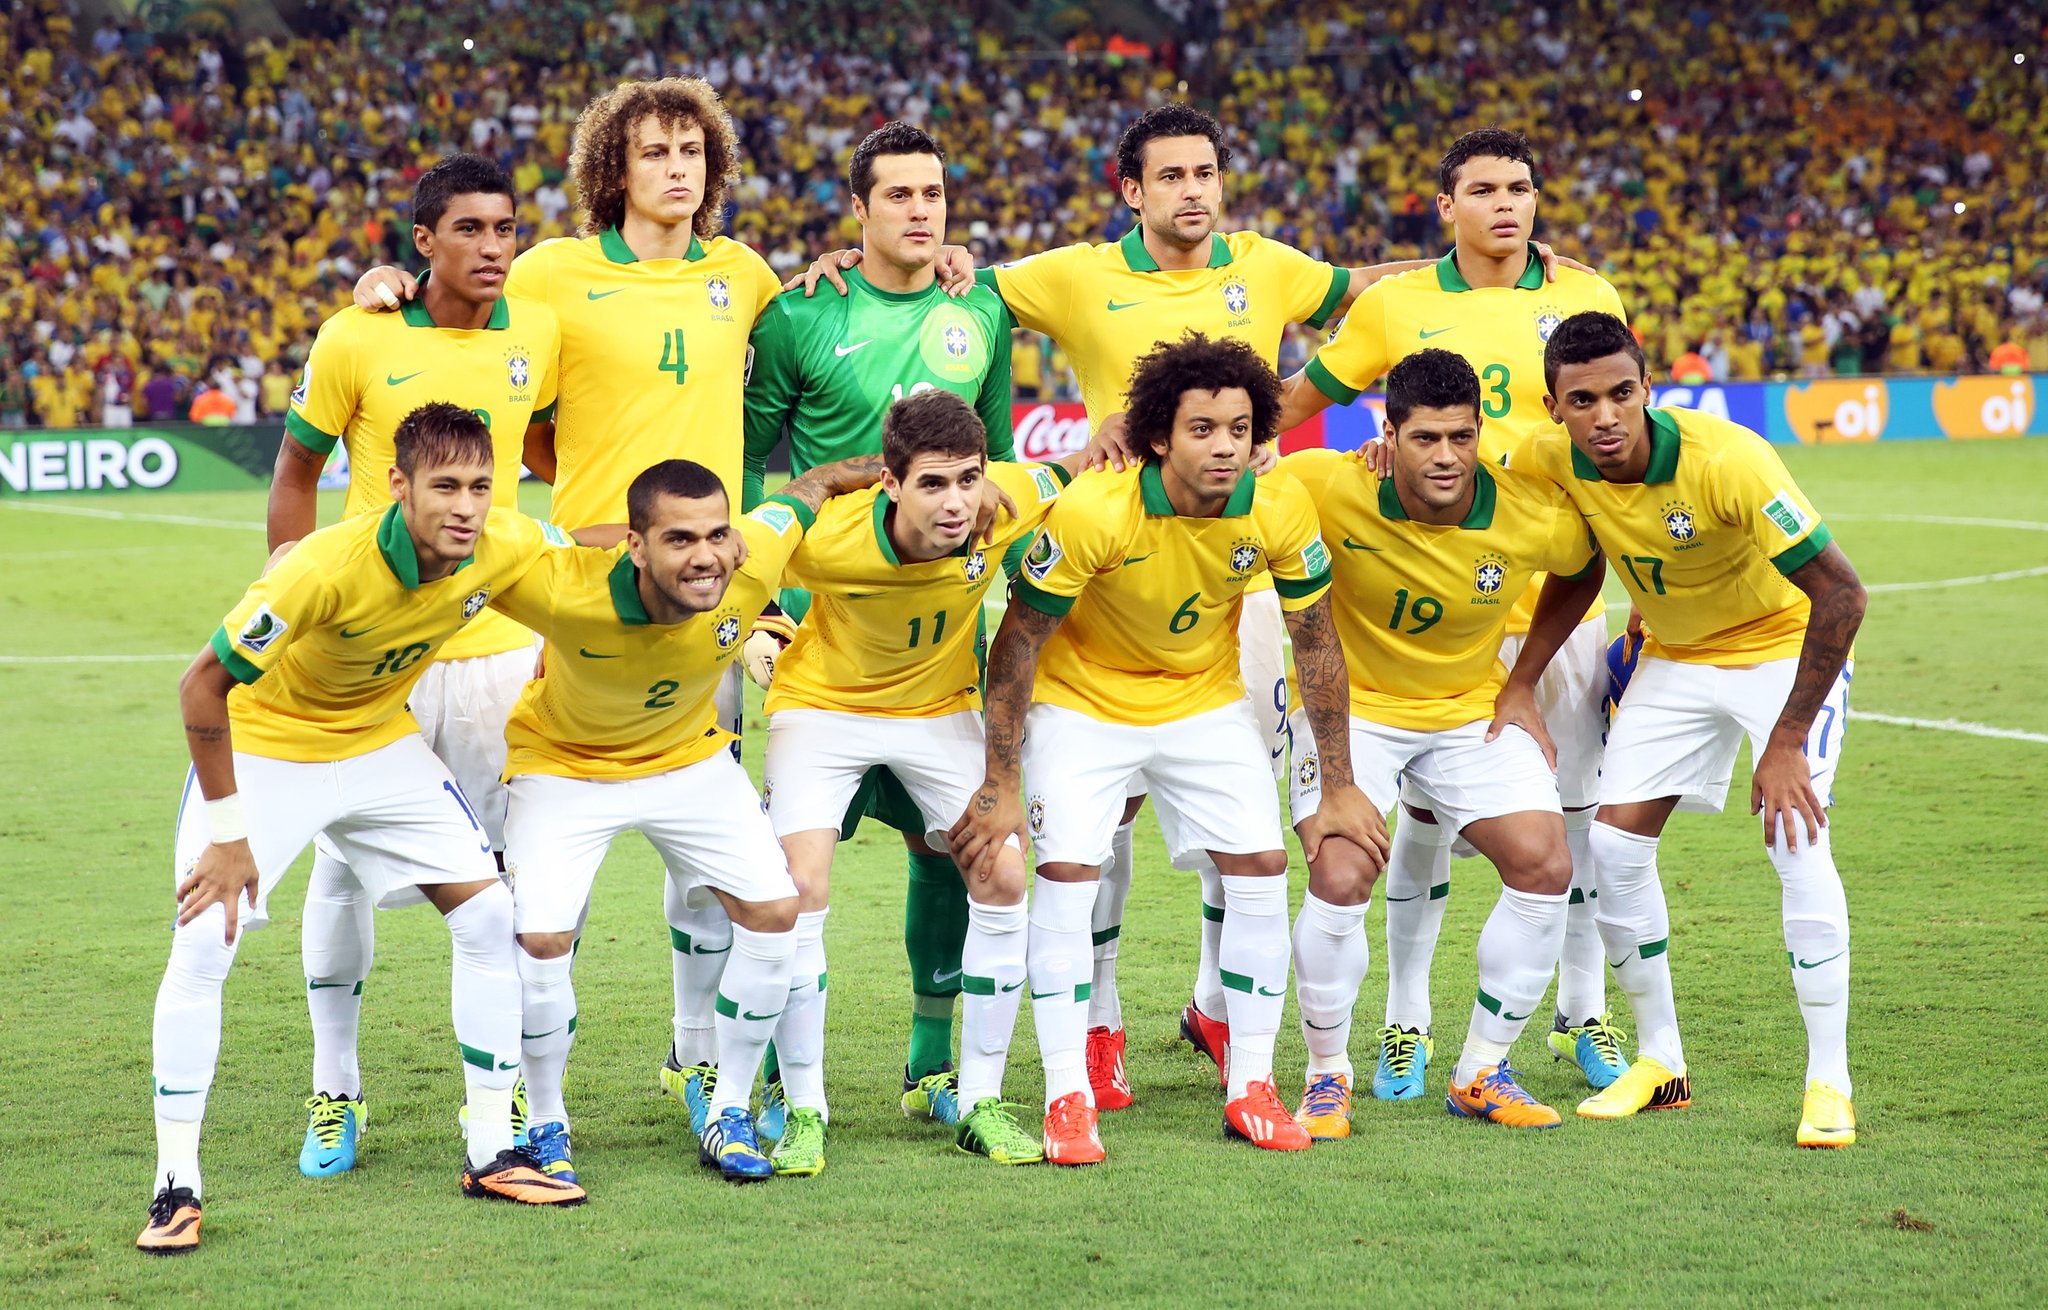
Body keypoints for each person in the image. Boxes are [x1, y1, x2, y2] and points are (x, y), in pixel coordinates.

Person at [352, 78, 786, 1141]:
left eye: (692, 149)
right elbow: (499, 375)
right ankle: (532, 1086)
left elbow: (795, 373)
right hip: (575, 596)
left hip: (699, 589)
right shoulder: (550, 269)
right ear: (613, 169)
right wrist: (393, 284)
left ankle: (692, 1058)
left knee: (702, 860)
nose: (677, 168)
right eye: (654, 152)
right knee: (555, 859)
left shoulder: (748, 274)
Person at [138, 405, 593, 1256]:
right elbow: (201, 687)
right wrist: (230, 836)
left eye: (481, 486)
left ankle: (493, 1149)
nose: (466, 505)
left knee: (491, 917)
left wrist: (686, 538)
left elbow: (581, 539)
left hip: (381, 745)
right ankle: (175, 1187)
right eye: (445, 486)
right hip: (270, 749)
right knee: (204, 937)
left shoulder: (500, 540)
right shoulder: (321, 568)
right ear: (397, 486)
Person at [950, 333, 1385, 1163]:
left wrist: (1338, 783)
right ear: (1159, 436)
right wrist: (1002, 778)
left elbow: (1318, 643)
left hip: (1203, 702)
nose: (1225, 446)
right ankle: (1066, 1098)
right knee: (1070, 874)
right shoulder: (1095, 510)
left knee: (1261, 866)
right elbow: (1016, 646)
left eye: (1240, 428)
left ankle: (1252, 1087)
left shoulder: (1280, 506)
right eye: (1202, 429)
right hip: (1084, 706)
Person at [1273, 127, 1633, 1098]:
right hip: (1415, 593)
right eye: (1482, 189)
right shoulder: (1399, 303)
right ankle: (1402, 1023)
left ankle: (1579, 1008)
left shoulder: (1584, 293)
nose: (1504, 205)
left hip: (1536, 596)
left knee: (1573, 815)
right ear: (1446, 205)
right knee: (1411, 831)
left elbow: (1618, 428)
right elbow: (1300, 398)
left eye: (1519, 186)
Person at [270, 154, 561, 1179]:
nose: (493, 246)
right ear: (421, 242)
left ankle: (504, 1086)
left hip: (497, 649)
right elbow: (297, 469)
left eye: (506, 228)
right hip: (370, 656)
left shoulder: (539, 327)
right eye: (470, 228)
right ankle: (336, 1086)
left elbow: (559, 453)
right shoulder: (358, 333)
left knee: (500, 878)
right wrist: (293, 598)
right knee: (343, 867)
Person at [1508, 311, 1866, 1146]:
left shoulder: (1727, 459)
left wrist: (1784, 742)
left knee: (1795, 837)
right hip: (1675, 657)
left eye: (1622, 394)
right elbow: (1563, 551)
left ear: (1647, 387)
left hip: (1779, 649)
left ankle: (1829, 1081)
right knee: (1615, 849)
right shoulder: (1549, 454)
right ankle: (1662, 1059)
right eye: (1583, 399)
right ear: (1554, 406)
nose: (1605, 416)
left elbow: (1843, 594)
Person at [488, 453, 886, 1186]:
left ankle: (728, 1109)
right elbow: (469, 543)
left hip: (687, 761)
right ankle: (544, 1119)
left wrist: (889, 465)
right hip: (565, 767)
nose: (704, 557)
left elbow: (809, 489)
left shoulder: (749, 562)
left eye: (714, 536)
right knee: (541, 939)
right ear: (635, 547)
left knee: (775, 911)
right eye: (677, 539)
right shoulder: (563, 588)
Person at [742, 122, 1023, 1129]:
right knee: (778, 866)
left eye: (933, 193)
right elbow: (743, 459)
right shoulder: (799, 313)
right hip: (813, 623)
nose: (920, 210)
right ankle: (770, 1075)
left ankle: (928, 1059)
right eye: (897, 195)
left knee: (945, 848)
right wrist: (758, 609)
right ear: (855, 211)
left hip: (934, 630)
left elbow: (986, 448)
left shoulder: (979, 307)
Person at [1279, 350, 1604, 1138]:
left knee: (1546, 862)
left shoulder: (1528, 512)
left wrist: (1522, 679)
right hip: (1352, 711)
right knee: (1342, 866)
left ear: (1480, 431)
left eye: (1462, 436)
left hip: (1468, 710)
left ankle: (1481, 1069)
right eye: (1425, 438)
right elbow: (1233, 485)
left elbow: (1585, 567)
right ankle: (1327, 1078)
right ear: (1386, 433)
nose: (1447, 457)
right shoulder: (1327, 483)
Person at [760, 390, 1078, 1172]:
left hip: (938, 707)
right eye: (932, 484)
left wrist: (1105, 440)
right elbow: (742, 558)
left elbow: (1072, 471)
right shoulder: (829, 539)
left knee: (1003, 871)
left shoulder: (1001, 506)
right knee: (798, 889)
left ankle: (980, 1101)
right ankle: (803, 1108)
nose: (956, 502)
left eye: (968, 479)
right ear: (891, 487)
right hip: (823, 708)